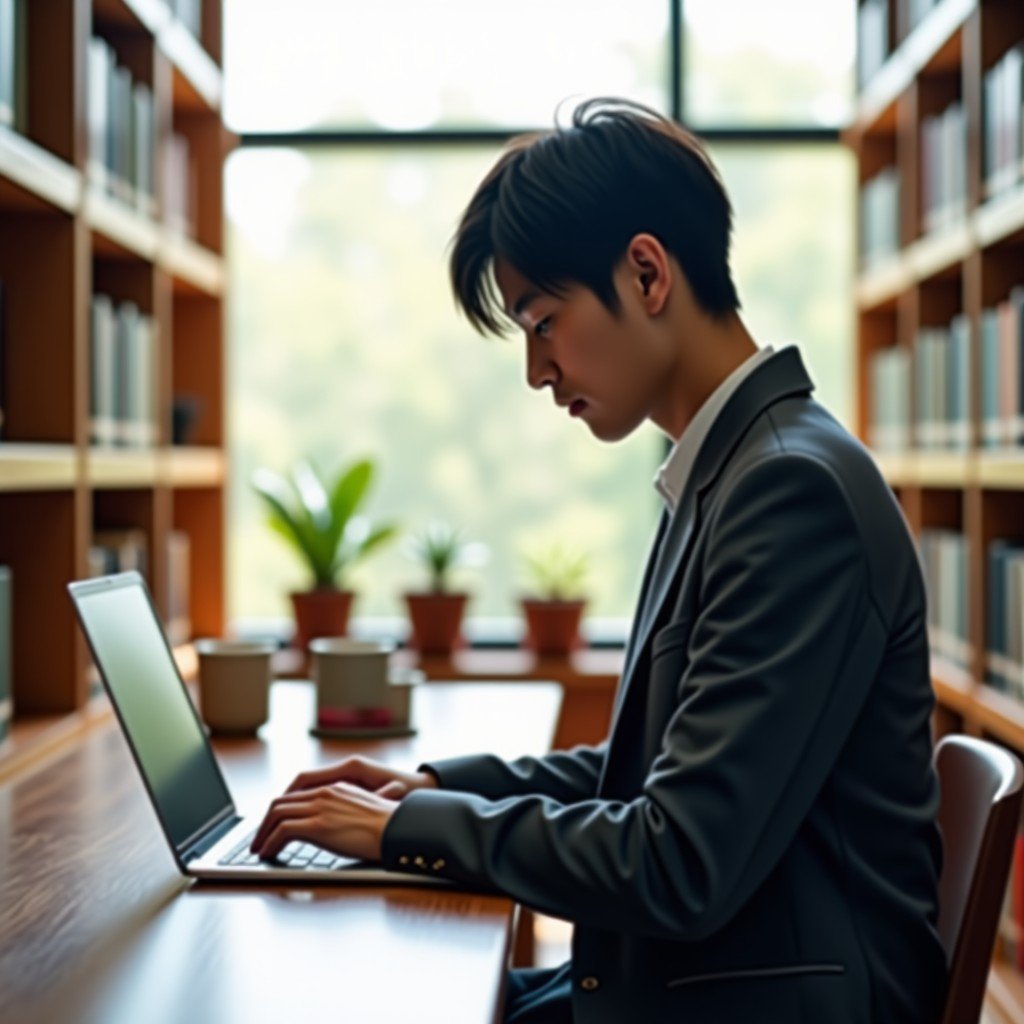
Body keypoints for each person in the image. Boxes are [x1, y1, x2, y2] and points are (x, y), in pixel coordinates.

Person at [251, 98, 947, 1023]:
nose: (537, 371)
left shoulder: (789, 493)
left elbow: (678, 859)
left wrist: (409, 830)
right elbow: (653, 775)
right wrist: (431, 791)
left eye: (542, 322)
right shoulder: (732, 469)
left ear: (648, 273)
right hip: (716, 981)